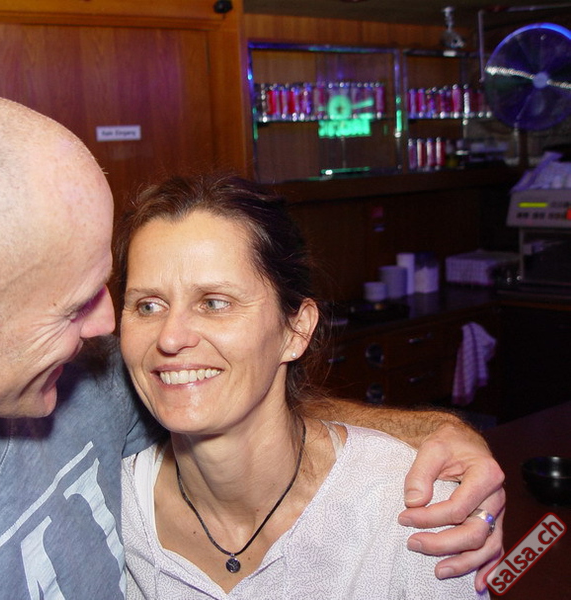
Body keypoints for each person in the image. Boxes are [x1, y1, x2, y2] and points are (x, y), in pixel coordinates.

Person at [0, 90, 501, 599]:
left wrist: (437, 433)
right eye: (76, 304)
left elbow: (240, 388)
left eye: (113, 292)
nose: (109, 328)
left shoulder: (72, 387)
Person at [116, 173, 498, 598]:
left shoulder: (412, 513)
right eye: (147, 306)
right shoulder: (112, 508)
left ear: (296, 330)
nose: (170, 338)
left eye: (214, 303)